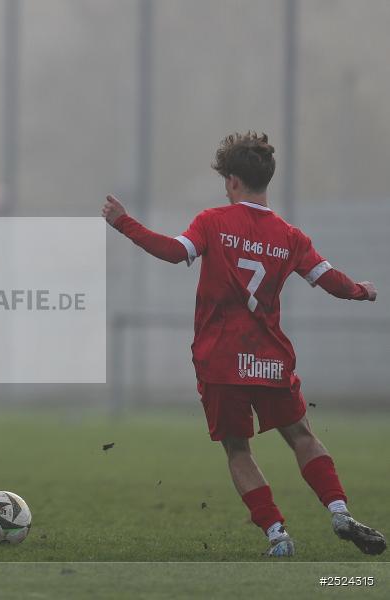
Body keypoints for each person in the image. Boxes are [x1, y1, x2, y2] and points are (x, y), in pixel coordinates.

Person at [102, 131, 385, 557]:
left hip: (220, 361)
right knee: (302, 436)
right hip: (269, 357)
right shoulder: (291, 236)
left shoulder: (213, 222)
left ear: (233, 181)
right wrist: (362, 290)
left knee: (238, 449)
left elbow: (173, 252)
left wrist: (123, 221)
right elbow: (331, 282)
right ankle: (339, 510)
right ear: (265, 179)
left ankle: (277, 535)